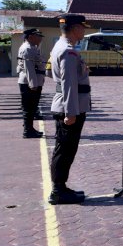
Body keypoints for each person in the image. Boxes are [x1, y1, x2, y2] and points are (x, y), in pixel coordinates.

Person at [49, 14, 92, 205]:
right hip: (69, 108)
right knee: (65, 150)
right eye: (82, 28)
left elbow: (53, 74)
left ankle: (61, 188)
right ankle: (58, 191)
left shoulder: (61, 47)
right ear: (75, 28)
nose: (84, 31)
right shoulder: (68, 51)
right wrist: (71, 112)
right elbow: (68, 84)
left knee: (66, 149)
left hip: (66, 104)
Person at [18, 28, 47, 138]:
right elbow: (29, 68)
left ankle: (29, 128)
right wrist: (33, 84)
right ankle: (27, 130)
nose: (40, 38)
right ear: (30, 37)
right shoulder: (27, 49)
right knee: (29, 108)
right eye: (37, 36)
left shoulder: (32, 48)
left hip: (33, 81)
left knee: (32, 107)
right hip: (29, 82)